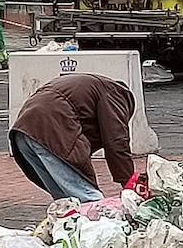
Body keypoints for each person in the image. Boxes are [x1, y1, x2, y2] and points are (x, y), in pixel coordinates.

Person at [10, 73, 135, 202]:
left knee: (66, 200)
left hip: (23, 131)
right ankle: (101, 221)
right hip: (51, 128)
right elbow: (116, 141)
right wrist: (129, 184)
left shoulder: (91, 88)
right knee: (90, 199)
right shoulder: (116, 94)